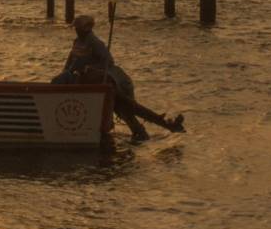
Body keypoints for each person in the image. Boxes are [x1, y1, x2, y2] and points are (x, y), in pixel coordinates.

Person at [53, 14, 184, 141]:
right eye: (75, 28)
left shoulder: (95, 43)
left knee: (126, 108)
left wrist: (90, 69)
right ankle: (159, 126)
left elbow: (108, 62)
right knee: (126, 109)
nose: (76, 30)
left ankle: (157, 126)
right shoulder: (77, 43)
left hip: (108, 81)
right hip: (88, 81)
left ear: (86, 29)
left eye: (78, 28)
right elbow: (70, 64)